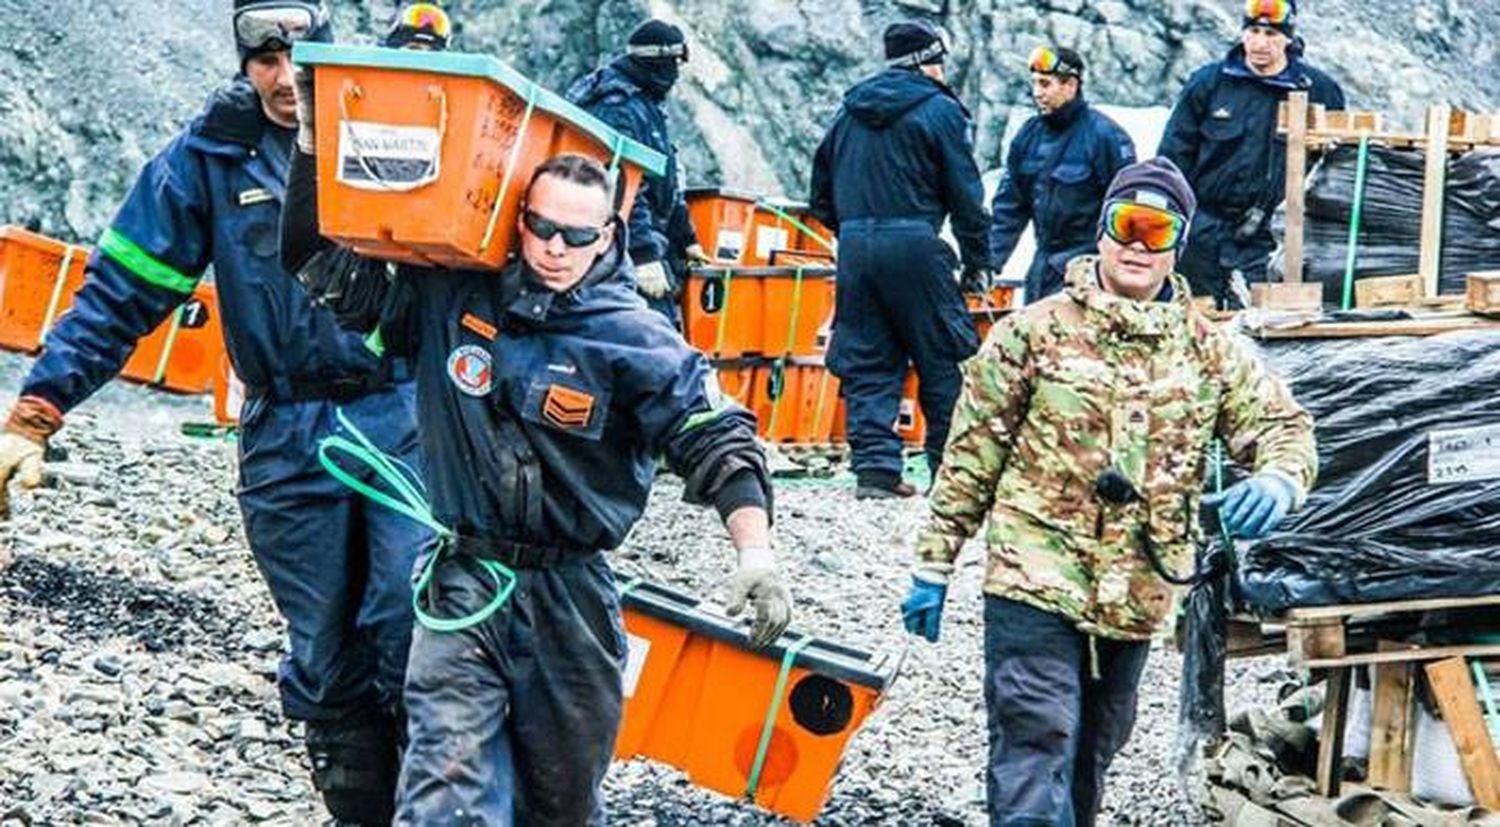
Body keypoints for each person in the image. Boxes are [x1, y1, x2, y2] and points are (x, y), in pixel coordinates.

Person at [0, 2, 431, 823]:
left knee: (407, 622)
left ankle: (441, 799)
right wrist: (35, 414)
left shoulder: (402, 130)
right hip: (284, 431)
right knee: (324, 650)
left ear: (331, 51)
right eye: (263, 59)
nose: (282, 79)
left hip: (400, 415)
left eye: (297, 57)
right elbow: (123, 292)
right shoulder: (207, 158)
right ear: (243, 62)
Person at [281, 133, 793, 820]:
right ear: (519, 219)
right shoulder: (449, 300)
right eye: (542, 227)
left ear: (607, 233)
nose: (556, 247)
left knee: (560, 804)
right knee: (443, 789)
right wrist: (314, 143)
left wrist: (754, 552)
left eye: (576, 236)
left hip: (571, 599)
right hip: (464, 581)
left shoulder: (635, 340)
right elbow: (318, 262)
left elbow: (717, 440)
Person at [900, 158, 1318, 825]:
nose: (1137, 246)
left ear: (1176, 244)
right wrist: (933, 563)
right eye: (1126, 225)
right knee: (1036, 733)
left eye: (1157, 231)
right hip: (1033, 573)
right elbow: (970, 457)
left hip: (1138, 591)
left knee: (1094, 751)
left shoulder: (1207, 350)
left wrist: (1280, 476)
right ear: (1101, 232)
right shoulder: (1030, 334)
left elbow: (1283, 425)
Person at [809, 20, 990, 498]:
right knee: (942, 354)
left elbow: (819, 195)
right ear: (931, 61)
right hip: (914, 241)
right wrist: (978, 258)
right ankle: (948, 475)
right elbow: (966, 193)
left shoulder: (847, 115)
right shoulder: (939, 111)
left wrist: (856, 232)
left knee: (867, 356)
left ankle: (875, 472)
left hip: (854, 246)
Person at [1159, 0, 1345, 308]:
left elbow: (1334, 170)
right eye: (1254, 31)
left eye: (1272, 34)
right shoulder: (1209, 83)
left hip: (1273, 241)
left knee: (1263, 331)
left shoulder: (1319, 92)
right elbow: (1171, 160)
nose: (1260, 43)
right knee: (1194, 324)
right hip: (1202, 235)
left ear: (1289, 37)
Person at [566, 18, 708, 326]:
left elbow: (664, 177)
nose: (676, 74)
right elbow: (622, 186)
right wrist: (643, 255)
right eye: (674, 64)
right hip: (613, 255)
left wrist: (686, 237)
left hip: (641, 243)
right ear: (661, 63)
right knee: (648, 338)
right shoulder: (616, 108)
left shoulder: (644, 105)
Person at [990, 45, 1136, 303]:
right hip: (1043, 270)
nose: (1037, 93)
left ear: (1071, 85)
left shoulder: (1107, 138)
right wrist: (988, 263)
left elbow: (1127, 214)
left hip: (1091, 274)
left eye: (1045, 85)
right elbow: (1009, 208)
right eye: (1034, 84)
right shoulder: (1028, 136)